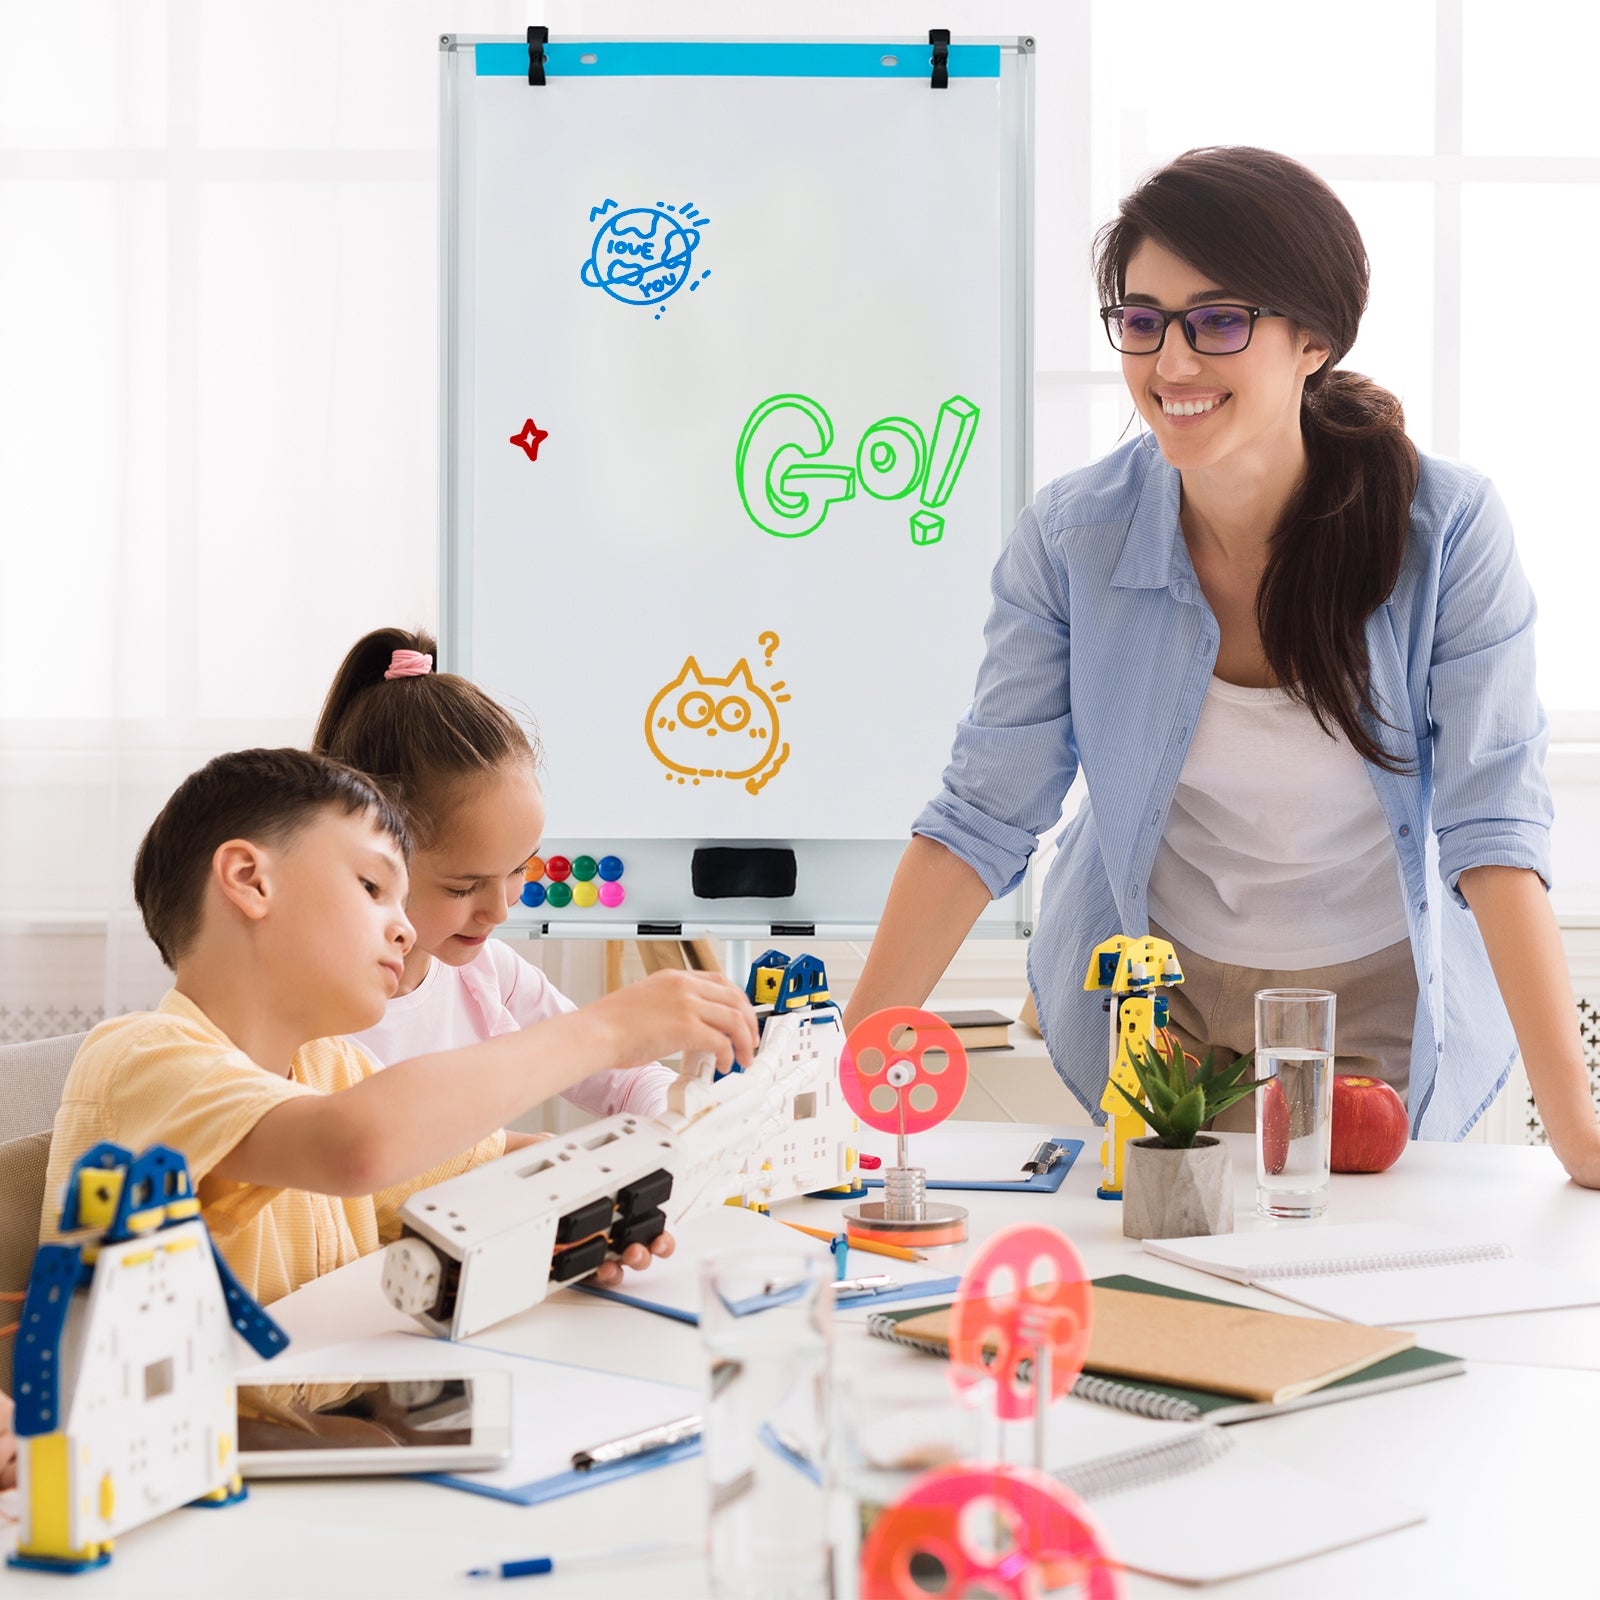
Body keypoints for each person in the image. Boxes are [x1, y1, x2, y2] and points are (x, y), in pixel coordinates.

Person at [844, 145, 1600, 1187]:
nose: (1172, 363)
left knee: (1339, 1283)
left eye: (1218, 321)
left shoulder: (1446, 531)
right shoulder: (1075, 538)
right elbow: (981, 815)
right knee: (1165, 1280)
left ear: (1310, 341)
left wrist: (1579, 1136)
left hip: (1373, 996)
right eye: (1143, 320)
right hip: (1163, 991)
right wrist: (837, 1081)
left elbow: (1492, 827)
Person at [40, 748, 758, 1304]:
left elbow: (494, 1162)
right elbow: (355, 1145)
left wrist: (585, 1208)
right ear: (251, 881)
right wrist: (604, 1031)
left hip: (334, 1440)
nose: (405, 929)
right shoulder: (143, 1058)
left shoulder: (332, 1071)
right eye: (373, 887)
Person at [312, 627, 673, 1122]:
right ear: (370, 863)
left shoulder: (490, 975)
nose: (500, 910)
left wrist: (687, 1116)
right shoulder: (305, 1010)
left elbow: (627, 1078)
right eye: (463, 886)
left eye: (519, 868)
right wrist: (504, 1153)